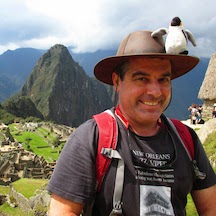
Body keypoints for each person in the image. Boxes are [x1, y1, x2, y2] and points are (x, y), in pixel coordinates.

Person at [47, 31, 216, 215]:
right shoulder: (91, 138)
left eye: (163, 79)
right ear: (117, 81)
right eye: (141, 79)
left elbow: (211, 208)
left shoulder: (186, 139)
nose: (155, 91)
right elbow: (63, 211)